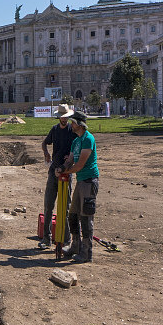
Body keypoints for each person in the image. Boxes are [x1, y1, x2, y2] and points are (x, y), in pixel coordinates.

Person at [56, 111, 99, 263]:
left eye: (73, 122)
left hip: (89, 181)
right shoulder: (76, 141)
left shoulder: (88, 139)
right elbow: (71, 160)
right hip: (81, 181)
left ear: (79, 124)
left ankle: (86, 253)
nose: (70, 124)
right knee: (73, 214)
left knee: (86, 217)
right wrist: (62, 167)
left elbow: (79, 165)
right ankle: (75, 245)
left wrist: (66, 170)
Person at [38, 104, 77, 250]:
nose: (64, 119)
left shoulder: (71, 131)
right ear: (58, 116)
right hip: (53, 171)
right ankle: (47, 238)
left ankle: (66, 239)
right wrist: (46, 153)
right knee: (49, 204)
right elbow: (44, 142)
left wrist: (70, 160)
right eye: (62, 116)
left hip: (66, 172)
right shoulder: (54, 130)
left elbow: (76, 149)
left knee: (65, 206)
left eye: (66, 117)